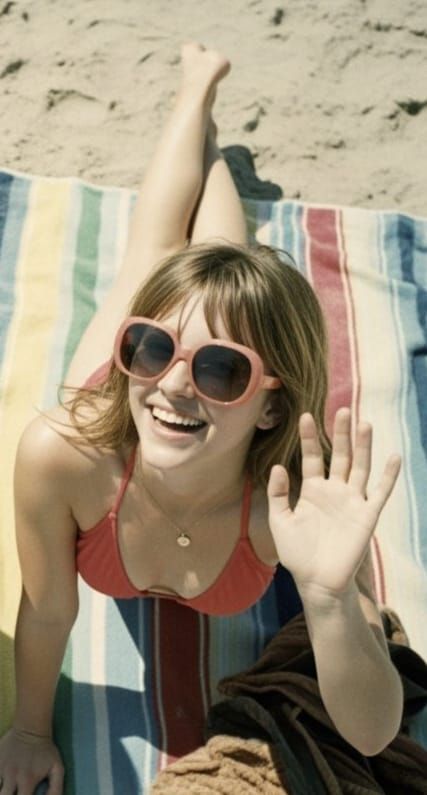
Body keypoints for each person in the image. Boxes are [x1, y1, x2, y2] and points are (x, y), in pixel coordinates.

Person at [0, 42, 404, 795]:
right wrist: (28, 728)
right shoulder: (66, 452)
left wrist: (327, 595)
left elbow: (373, 731)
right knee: (150, 252)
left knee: (221, 251)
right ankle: (196, 92)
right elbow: (48, 612)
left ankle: (206, 123)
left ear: (272, 400)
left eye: (222, 369)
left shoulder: (282, 505)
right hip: (103, 424)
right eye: (151, 347)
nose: (173, 385)